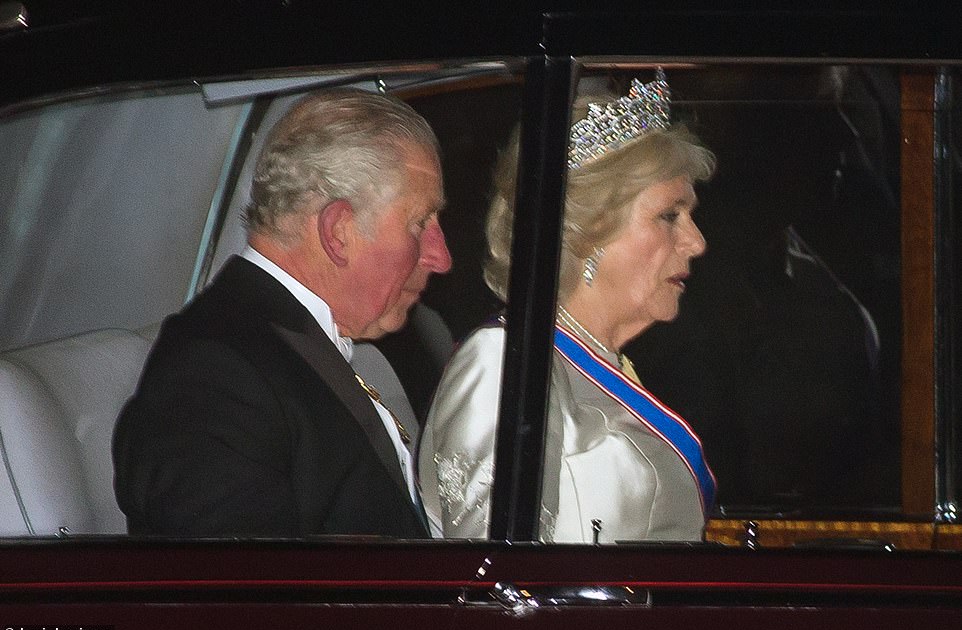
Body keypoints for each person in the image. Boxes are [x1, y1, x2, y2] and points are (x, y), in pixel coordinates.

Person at [113, 88, 452, 537]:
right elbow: (245, 598)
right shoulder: (214, 377)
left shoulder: (286, 345)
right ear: (339, 232)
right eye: (419, 223)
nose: (440, 257)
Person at [418, 70, 717, 543]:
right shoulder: (503, 366)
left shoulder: (597, 361)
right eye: (669, 215)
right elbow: (498, 589)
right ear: (588, 231)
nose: (696, 242)